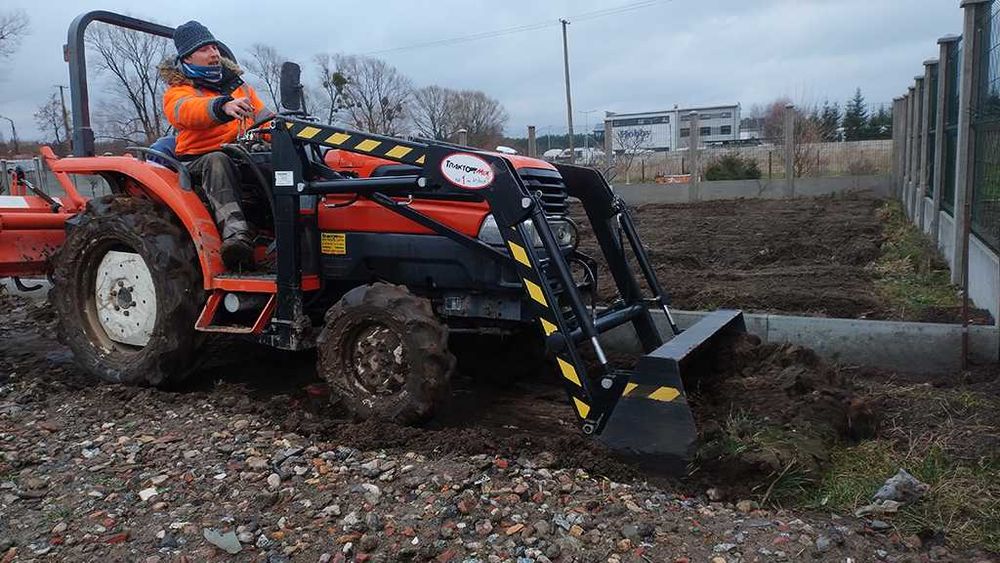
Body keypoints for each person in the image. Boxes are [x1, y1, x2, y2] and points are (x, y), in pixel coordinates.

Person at [160, 20, 271, 270]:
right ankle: (236, 237)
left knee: (281, 159)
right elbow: (185, 111)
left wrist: (285, 130)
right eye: (204, 49)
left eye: (215, 48)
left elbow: (265, 119)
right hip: (198, 159)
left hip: (241, 154)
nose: (213, 54)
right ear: (186, 57)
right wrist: (222, 106)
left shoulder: (240, 87)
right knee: (217, 160)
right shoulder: (178, 91)